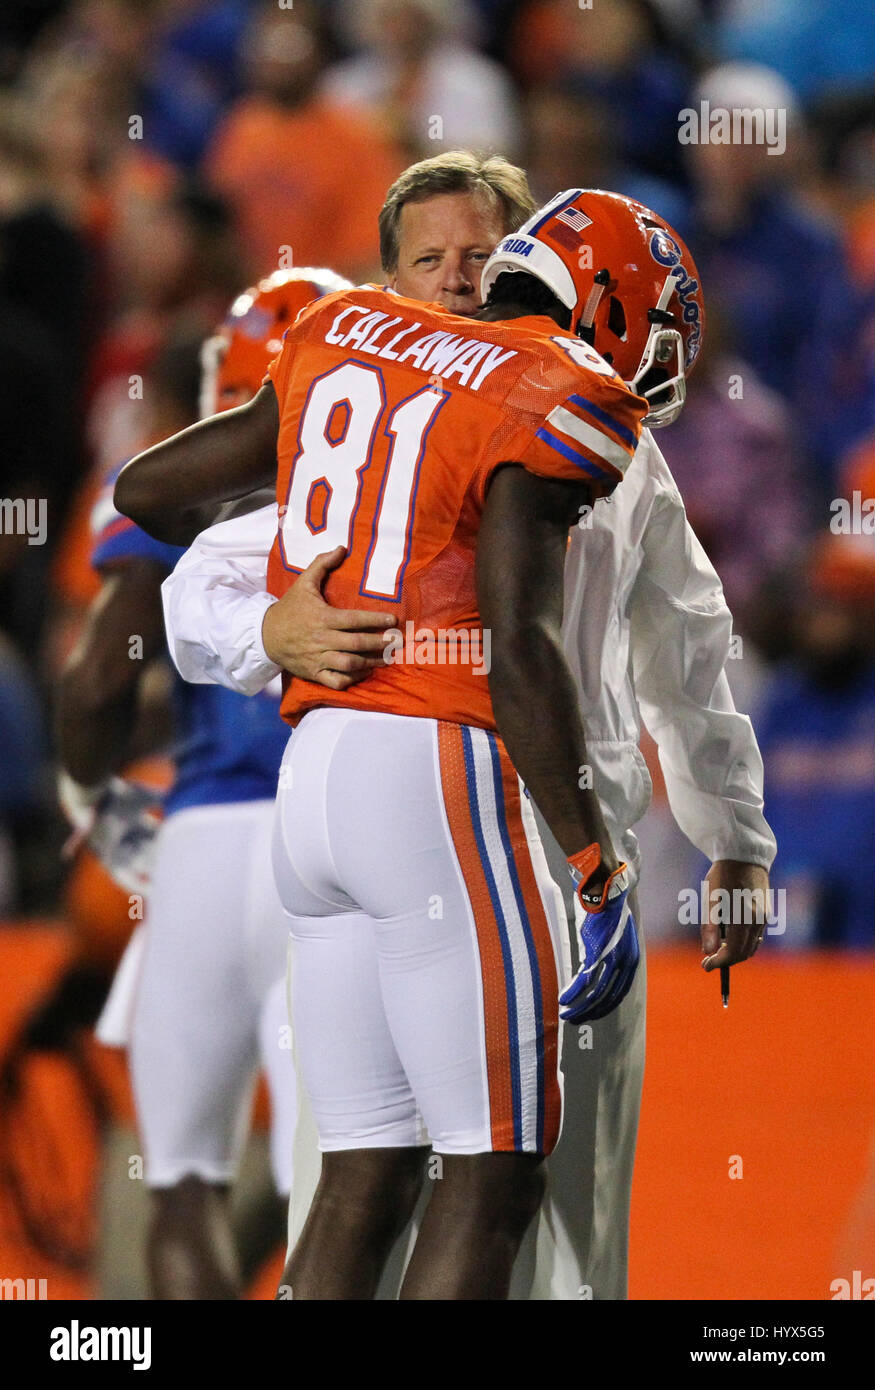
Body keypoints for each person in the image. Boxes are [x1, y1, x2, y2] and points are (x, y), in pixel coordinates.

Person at [122, 160, 776, 1298]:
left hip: (338, 784)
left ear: (519, 256)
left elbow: (684, 640)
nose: (460, 279)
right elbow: (526, 643)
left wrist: (733, 832)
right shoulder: (550, 393)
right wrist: (268, 631)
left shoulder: (348, 350)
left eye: (479, 255)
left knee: (366, 1172)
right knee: (507, 1186)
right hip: (480, 802)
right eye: (434, 260)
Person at [56, 268, 349, 1299]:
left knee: (182, 1180)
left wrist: (88, 794)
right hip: (336, 840)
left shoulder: (177, 480)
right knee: (336, 1182)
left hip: (200, 846)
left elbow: (96, 680)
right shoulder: (390, 464)